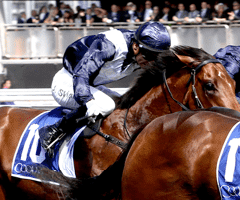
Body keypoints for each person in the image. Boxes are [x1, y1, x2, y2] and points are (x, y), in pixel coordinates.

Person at [38, 22, 171, 156]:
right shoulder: (109, 45)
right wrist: (87, 100)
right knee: (105, 105)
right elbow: (81, 73)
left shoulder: (141, 53)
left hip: (90, 85)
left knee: (122, 104)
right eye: (150, 56)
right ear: (136, 46)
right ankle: (54, 130)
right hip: (68, 82)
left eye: (157, 57)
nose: (152, 63)